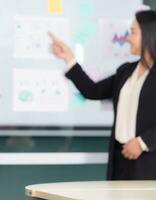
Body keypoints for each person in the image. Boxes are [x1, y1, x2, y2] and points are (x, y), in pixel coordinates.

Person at [49, 10, 156, 180]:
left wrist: (143, 143)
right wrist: (69, 58)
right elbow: (93, 91)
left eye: (133, 32)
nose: (128, 38)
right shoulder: (126, 71)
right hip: (120, 159)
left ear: (150, 34)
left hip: (148, 161)